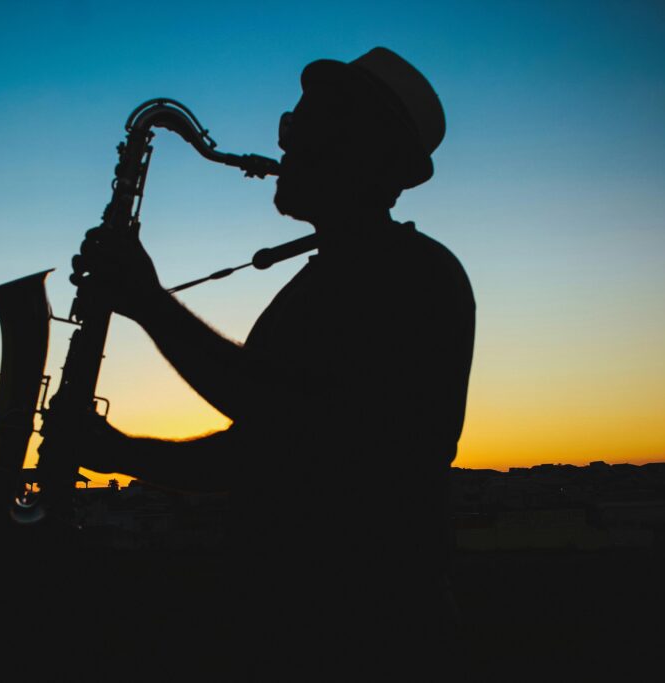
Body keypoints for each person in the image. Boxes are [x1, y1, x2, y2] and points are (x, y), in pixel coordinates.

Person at [72, 47, 475, 678]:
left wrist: (147, 303)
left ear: (356, 153)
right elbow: (263, 454)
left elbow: (286, 415)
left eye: (301, 129)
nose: (281, 145)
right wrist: (122, 453)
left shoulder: (410, 276)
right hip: (309, 620)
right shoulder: (336, 278)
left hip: (367, 630)